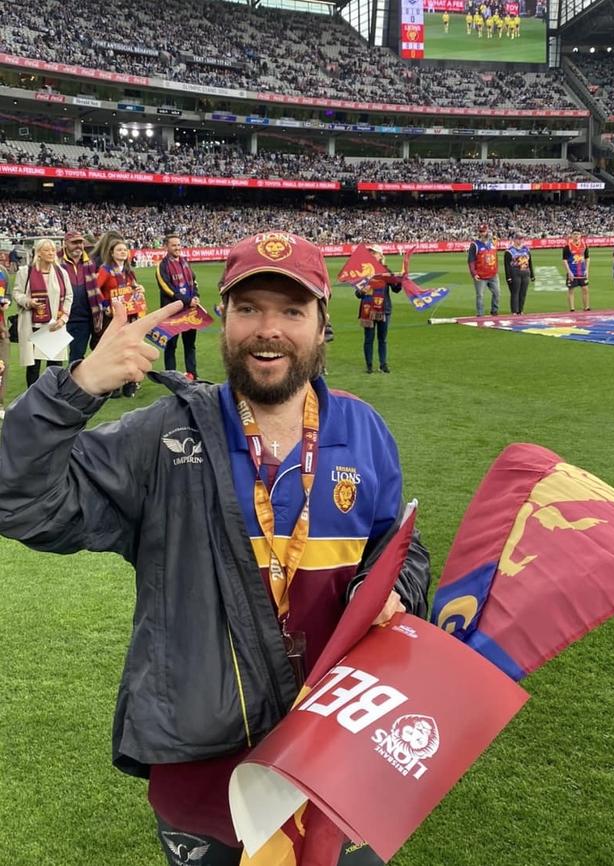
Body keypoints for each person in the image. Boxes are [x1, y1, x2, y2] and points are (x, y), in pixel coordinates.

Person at [0, 230, 430, 866]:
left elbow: (398, 548)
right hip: (206, 776)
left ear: (320, 325)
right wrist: (79, 385)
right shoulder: (163, 436)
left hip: (336, 762)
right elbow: (18, 498)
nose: (269, 330)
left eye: (291, 311)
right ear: (222, 319)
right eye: (249, 308)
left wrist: (398, 591)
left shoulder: (364, 431)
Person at [12, 238, 73, 388]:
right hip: (33, 325)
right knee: (33, 367)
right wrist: (28, 302)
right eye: (47, 250)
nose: (51, 253)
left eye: (53, 250)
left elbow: (69, 297)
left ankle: (52, 395)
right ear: (38, 253)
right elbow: (17, 293)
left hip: (54, 325)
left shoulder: (61, 272)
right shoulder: (26, 272)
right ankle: (32, 396)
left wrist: (64, 318)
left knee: (55, 366)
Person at [96, 237, 147, 397]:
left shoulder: (128, 271)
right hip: (112, 318)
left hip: (129, 316)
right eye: (119, 250)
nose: (122, 252)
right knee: (115, 350)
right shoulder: (105, 270)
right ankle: (113, 385)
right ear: (111, 252)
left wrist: (139, 289)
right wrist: (105, 306)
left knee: (130, 348)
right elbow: (95, 289)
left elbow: (134, 289)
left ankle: (130, 383)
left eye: (125, 250)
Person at [156, 233, 200, 381]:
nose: (177, 248)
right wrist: (187, 300)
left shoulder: (185, 262)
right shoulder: (162, 266)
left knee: (190, 345)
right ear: (166, 247)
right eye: (174, 245)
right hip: (172, 313)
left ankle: (192, 375)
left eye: (179, 245)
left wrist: (196, 296)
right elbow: (167, 288)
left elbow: (194, 281)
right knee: (171, 345)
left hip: (189, 312)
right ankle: (171, 377)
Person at [355, 244, 402, 373]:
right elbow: (358, 293)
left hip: (384, 309)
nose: (371, 254)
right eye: (370, 252)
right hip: (368, 309)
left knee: (382, 338)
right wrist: (363, 291)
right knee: (369, 338)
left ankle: (383, 364)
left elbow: (396, 289)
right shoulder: (364, 272)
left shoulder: (386, 271)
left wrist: (400, 280)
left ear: (381, 255)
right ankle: (369, 365)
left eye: (374, 252)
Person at [58, 229, 103, 364]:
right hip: (60, 317)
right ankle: (54, 384)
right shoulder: (56, 261)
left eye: (80, 242)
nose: (78, 246)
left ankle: (72, 384)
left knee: (77, 356)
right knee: (55, 358)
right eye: (74, 242)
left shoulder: (90, 263)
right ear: (65, 243)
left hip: (83, 317)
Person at [468, 224, 500, 317]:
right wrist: (474, 273)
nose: (482, 233)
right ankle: (480, 314)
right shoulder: (475, 245)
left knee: (497, 293)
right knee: (480, 295)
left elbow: (495, 257)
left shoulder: (493, 243)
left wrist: (496, 269)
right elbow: (471, 260)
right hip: (481, 276)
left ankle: (494, 311)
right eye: (481, 231)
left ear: (487, 231)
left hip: (493, 275)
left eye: (484, 231)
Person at [504, 231, 535, 315]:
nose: (520, 240)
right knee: (515, 292)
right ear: (514, 240)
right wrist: (508, 277)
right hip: (515, 272)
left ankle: (520, 310)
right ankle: (514, 311)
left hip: (525, 272)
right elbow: (506, 265)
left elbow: (530, 262)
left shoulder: (526, 249)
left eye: (522, 239)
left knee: (523, 293)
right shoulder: (509, 251)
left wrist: (532, 274)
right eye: (518, 239)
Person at [562, 229, 590, 312]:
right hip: (572, 271)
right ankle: (572, 309)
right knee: (571, 290)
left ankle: (586, 307)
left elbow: (587, 258)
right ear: (572, 235)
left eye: (578, 234)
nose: (576, 236)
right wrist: (569, 271)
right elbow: (564, 260)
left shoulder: (584, 245)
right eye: (574, 234)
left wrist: (587, 270)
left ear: (580, 235)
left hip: (582, 271)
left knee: (585, 289)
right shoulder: (568, 246)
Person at [0, 262, 10, 418]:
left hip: (1, 326)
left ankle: (0, 404)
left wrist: (5, 302)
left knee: (3, 365)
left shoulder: (2, 272)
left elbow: (6, 295)